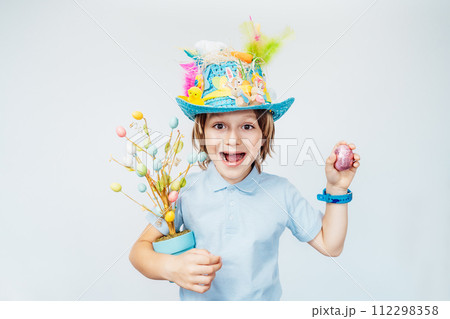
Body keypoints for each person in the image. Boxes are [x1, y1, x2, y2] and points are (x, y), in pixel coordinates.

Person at [128, 39, 360, 301]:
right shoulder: (183, 190)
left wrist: (337, 188)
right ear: (202, 133)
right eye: (219, 126)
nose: (233, 139)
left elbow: (331, 245)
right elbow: (139, 251)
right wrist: (172, 267)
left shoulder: (280, 192)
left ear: (264, 135)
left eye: (247, 126)